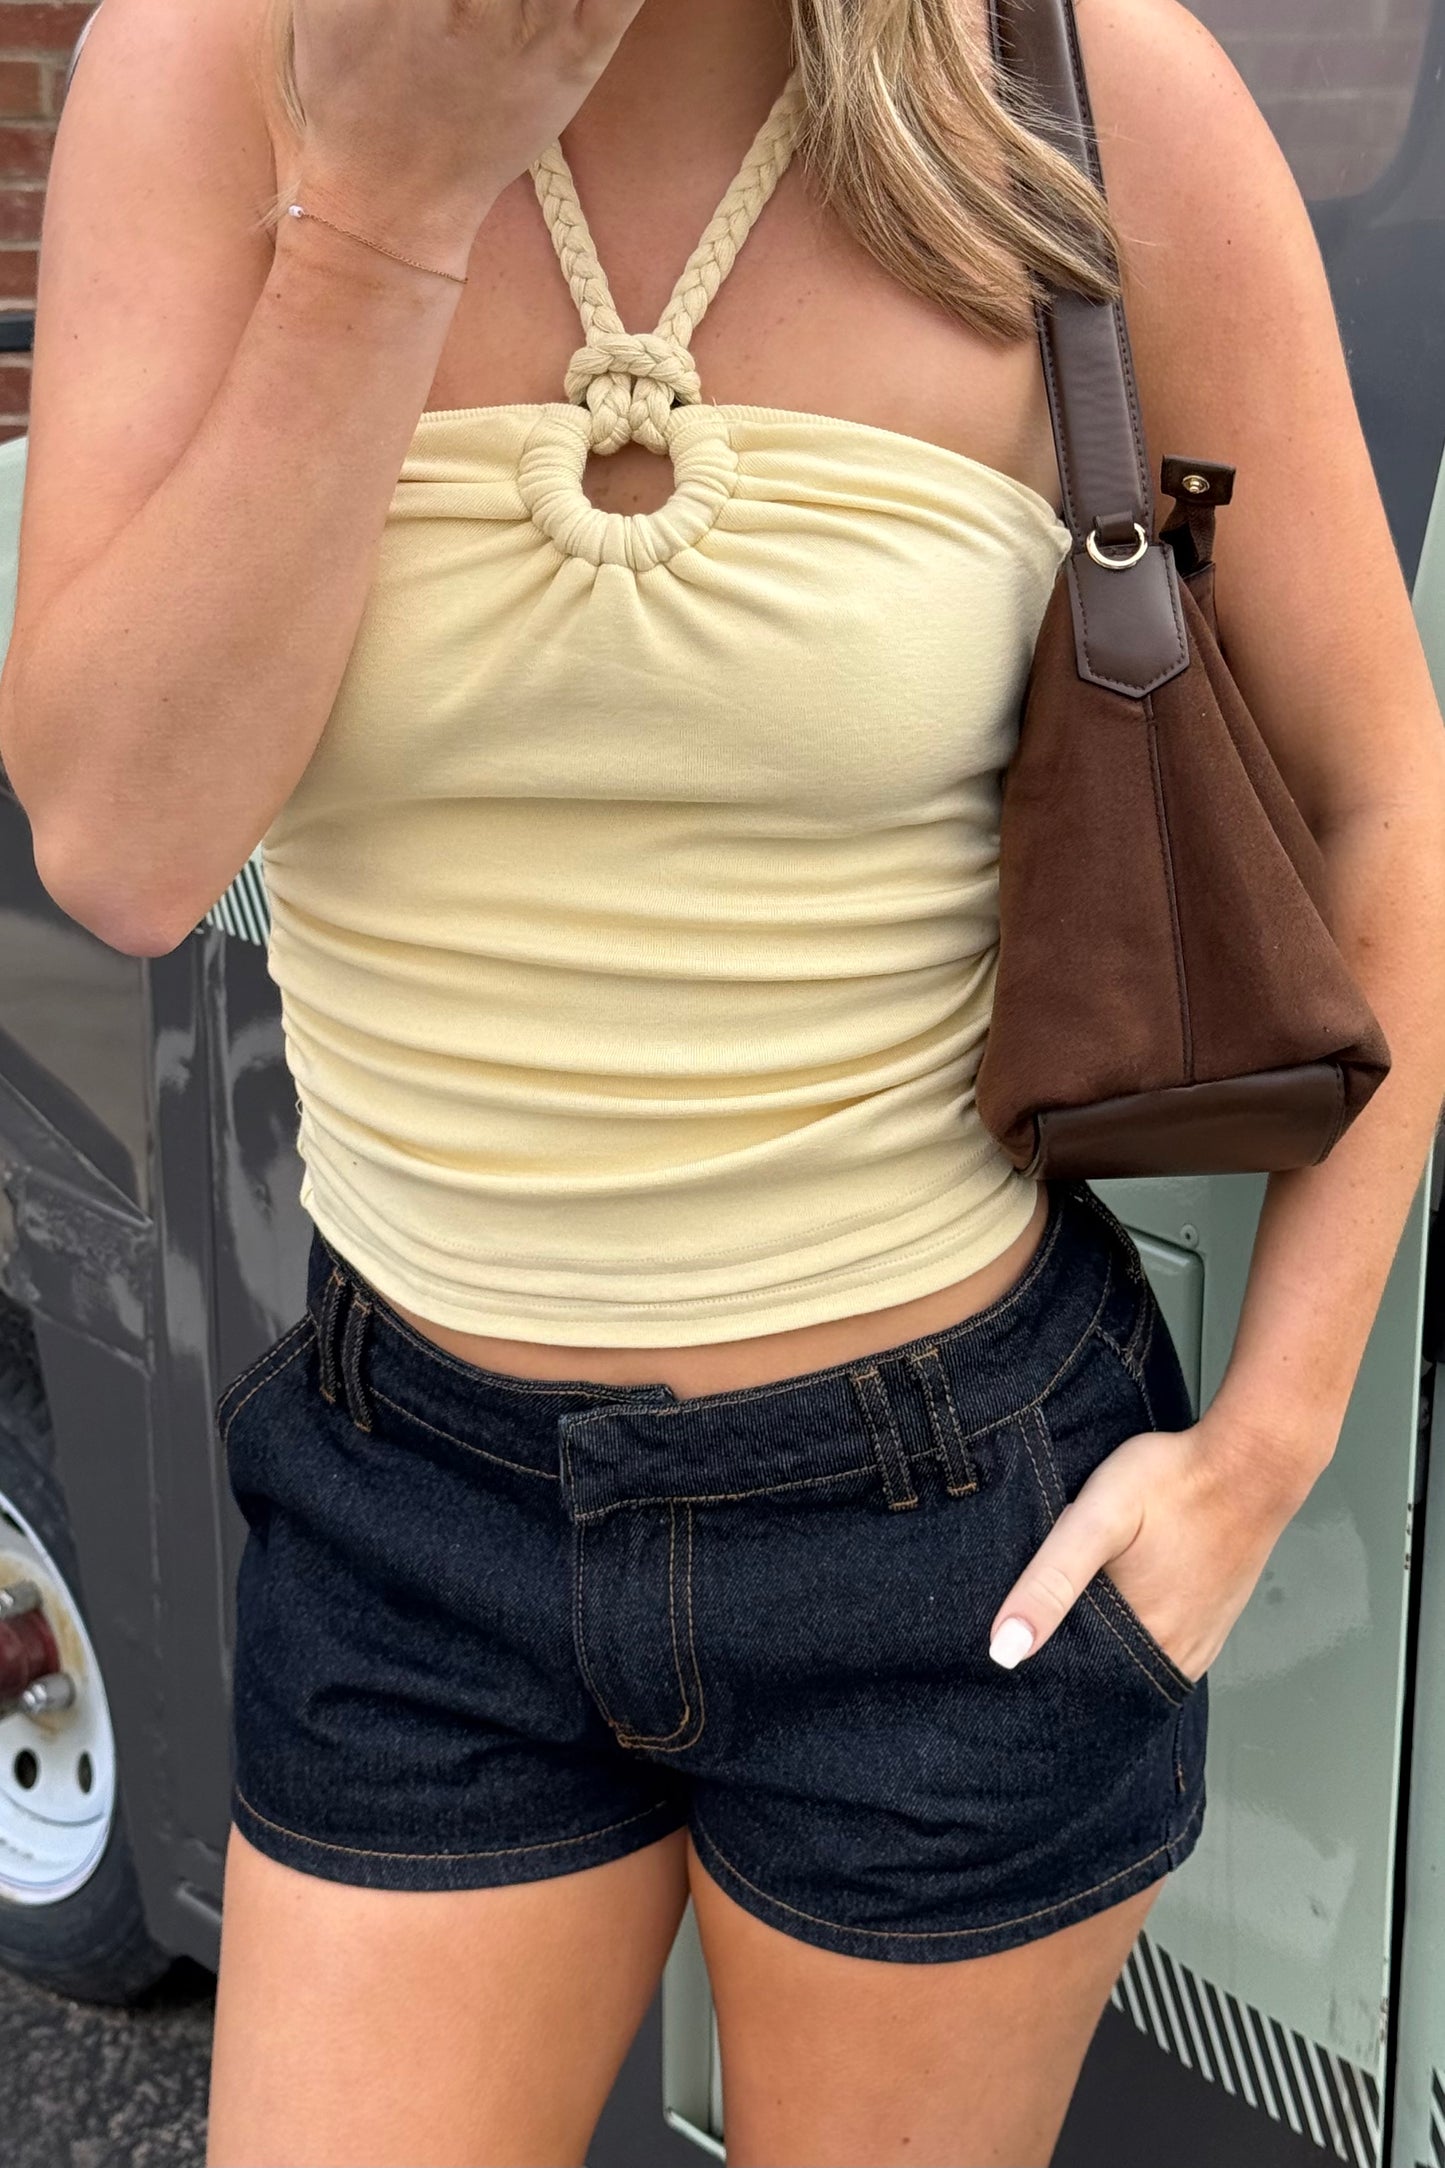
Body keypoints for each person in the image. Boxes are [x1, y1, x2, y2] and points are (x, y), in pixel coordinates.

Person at [5, 0, 1445, 2160]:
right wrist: (385, 212)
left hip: (950, 1525)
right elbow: (123, 844)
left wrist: (1270, 1447)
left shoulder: (1074, 85)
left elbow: (1379, 795)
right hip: (420, 1520)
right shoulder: (211, 67)